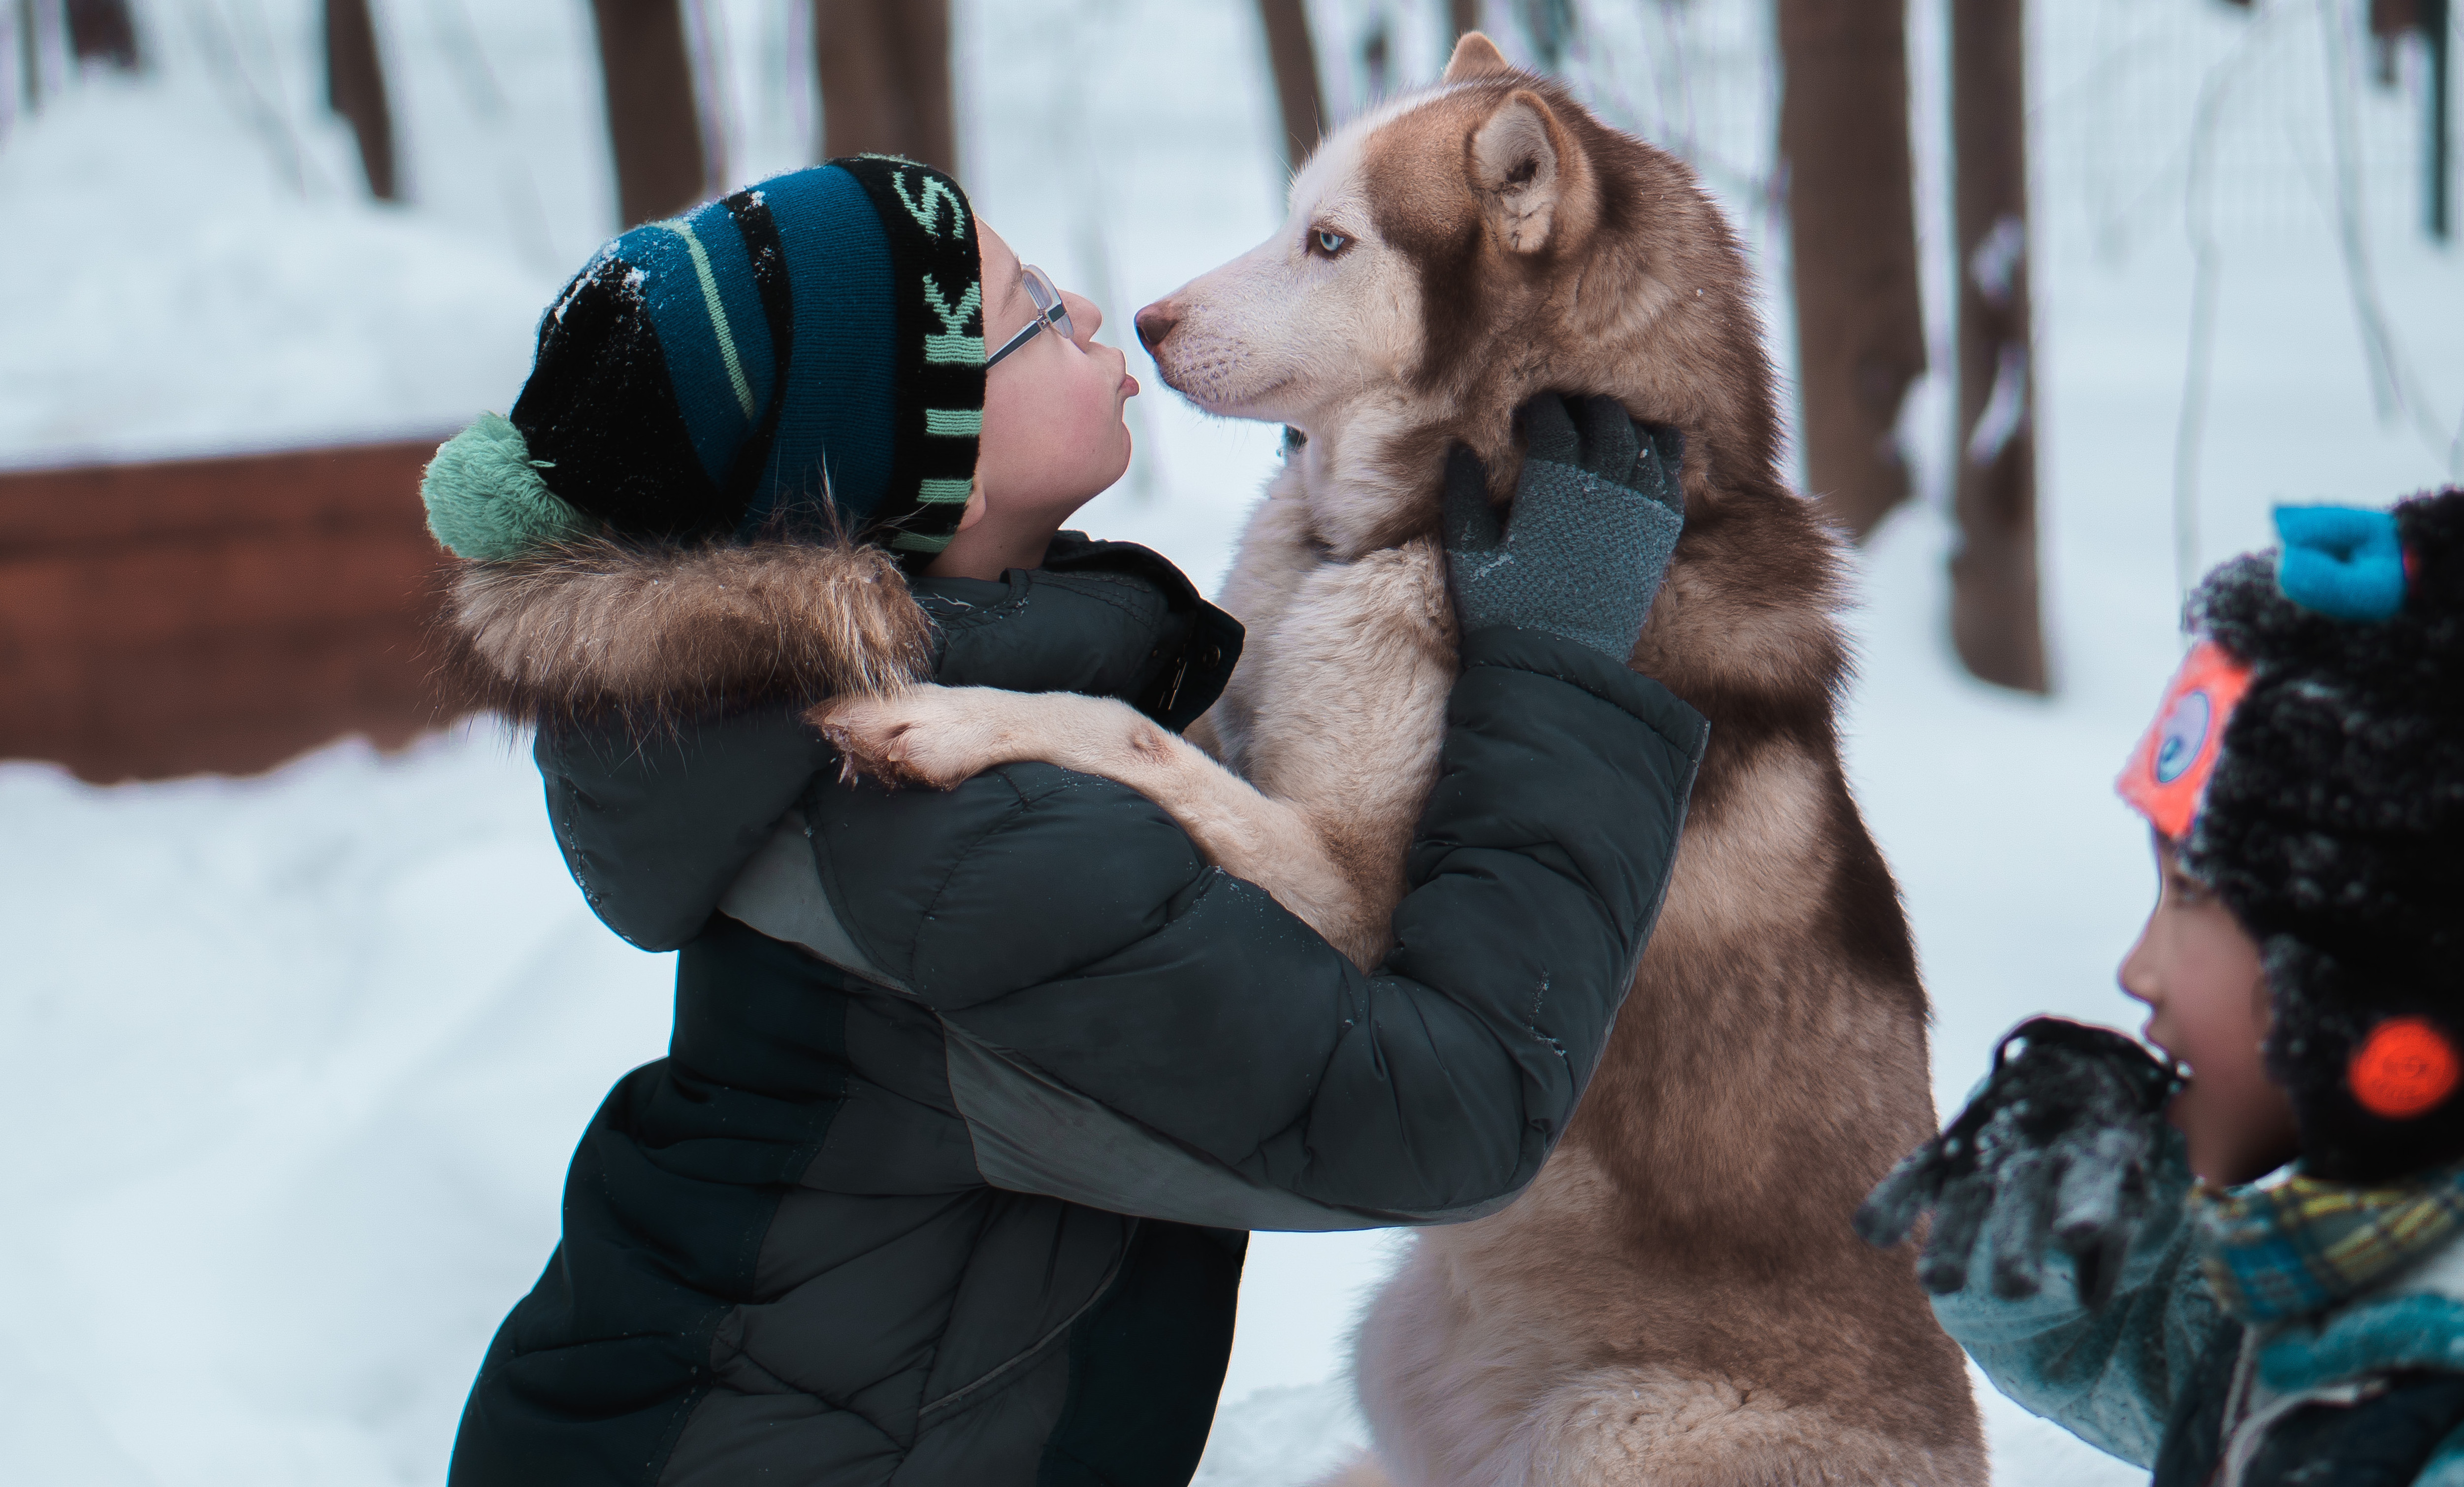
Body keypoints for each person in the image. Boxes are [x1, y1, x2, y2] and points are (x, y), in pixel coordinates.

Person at [417, 157, 1706, 1485]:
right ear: (942, 475)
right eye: (1029, 308)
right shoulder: (954, 827)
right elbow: (1444, 1114)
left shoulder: (851, 719)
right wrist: (1564, 682)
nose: (1094, 308)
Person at [1858, 492, 2464, 1486]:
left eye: (2193, 893)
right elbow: (2184, 1358)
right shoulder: (2416, 1263)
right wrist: (2066, 1222)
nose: (2136, 968)